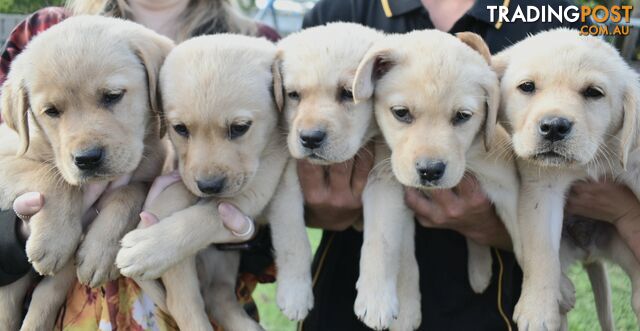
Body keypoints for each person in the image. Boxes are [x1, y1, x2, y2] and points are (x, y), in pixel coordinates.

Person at [292, 0, 640, 330]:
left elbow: (588, 196)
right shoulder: (341, 10)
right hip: (343, 297)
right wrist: (311, 211)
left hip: (496, 307)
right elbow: (279, 139)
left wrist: (494, 231)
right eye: (528, 88)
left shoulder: (551, 13)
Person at [0, 0, 277, 329]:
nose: (85, 146)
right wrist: (25, 226)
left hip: (198, 305)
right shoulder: (41, 35)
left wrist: (241, 229)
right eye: (53, 111)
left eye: (111, 96)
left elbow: (291, 199)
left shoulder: (255, 46)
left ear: (157, 85)